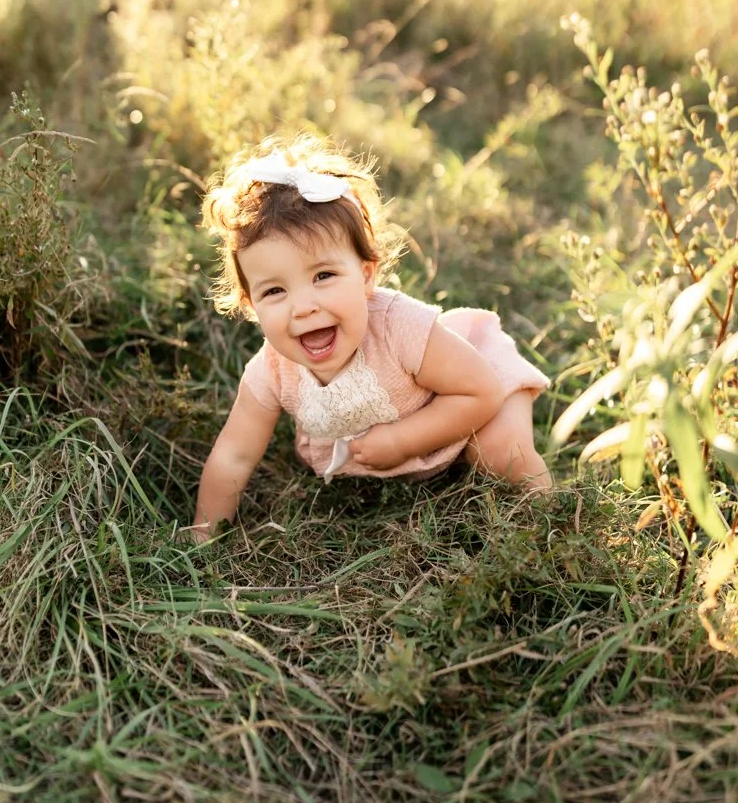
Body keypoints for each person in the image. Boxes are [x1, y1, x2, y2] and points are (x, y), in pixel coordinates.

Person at [188, 133, 551, 542]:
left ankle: (552, 524)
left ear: (365, 276)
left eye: (323, 276)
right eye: (275, 291)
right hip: (406, 437)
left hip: (473, 386)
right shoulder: (271, 371)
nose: (303, 307)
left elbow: (480, 392)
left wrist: (401, 440)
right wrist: (204, 532)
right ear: (251, 305)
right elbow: (234, 454)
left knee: (500, 452)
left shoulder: (401, 328)